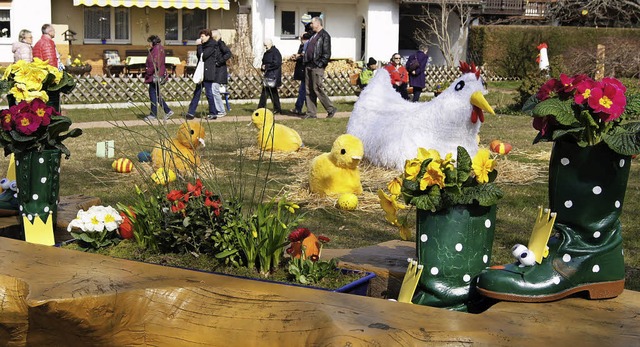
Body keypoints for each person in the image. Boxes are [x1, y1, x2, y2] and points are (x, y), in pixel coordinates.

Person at [303, 16, 337, 119]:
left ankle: (330, 108)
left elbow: (327, 54)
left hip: (316, 66)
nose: (311, 25)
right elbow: (305, 34)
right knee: (309, 90)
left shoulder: (325, 36)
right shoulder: (314, 35)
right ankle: (311, 113)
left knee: (317, 88)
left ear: (318, 23)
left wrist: (320, 64)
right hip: (308, 65)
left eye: (312, 23)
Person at [186, 33, 219, 120]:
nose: (201, 38)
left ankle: (213, 113)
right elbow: (198, 56)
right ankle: (191, 112)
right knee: (197, 93)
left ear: (208, 36)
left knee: (209, 93)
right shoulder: (204, 45)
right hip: (201, 73)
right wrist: (199, 46)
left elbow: (203, 56)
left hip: (208, 73)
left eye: (202, 36)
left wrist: (199, 45)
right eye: (200, 36)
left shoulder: (212, 45)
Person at [143, 35, 173, 121]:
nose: (148, 44)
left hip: (154, 75)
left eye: (149, 42)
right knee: (156, 94)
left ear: (154, 41)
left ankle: (153, 114)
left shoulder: (156, 49)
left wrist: (148, 72)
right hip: (156, 74)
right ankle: (167, 110)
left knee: (153, 94)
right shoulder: (158, 48)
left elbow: (155, 63)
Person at [209, 29, 232, 118]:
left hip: (219, 71)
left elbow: (228, 53)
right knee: (213, 90)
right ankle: (217, 109)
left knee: (215, 90)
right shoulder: (214, 45)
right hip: (215, 71)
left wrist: (219, 62)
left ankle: (221, 110)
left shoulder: (220, 44)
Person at [258, 39, 283, 114]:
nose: (265, 47)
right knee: (271, 93)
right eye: (264, 45)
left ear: (270, 44)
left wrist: (266, 67)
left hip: (273, 75)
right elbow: (264, 62)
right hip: (268, 75)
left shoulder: (275, 52)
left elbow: (277, 63)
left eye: (266, 45)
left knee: (267, 93)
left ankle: (261, 108)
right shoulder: (267, 53)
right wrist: (262, 67)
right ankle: (277, 109)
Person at [290, 32, 311, 115]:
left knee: (303, 91)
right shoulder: (302, 46)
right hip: (302, 70)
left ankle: (301, 108)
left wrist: (298, 57)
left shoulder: (307, 46)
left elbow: (304, 57)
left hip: (305, 71)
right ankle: (307, 109)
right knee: (304, 91)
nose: (300, 39)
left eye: (301, 38)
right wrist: (296, 57)